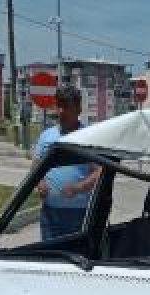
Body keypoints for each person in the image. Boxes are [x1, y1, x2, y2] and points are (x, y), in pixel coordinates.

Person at [33, 85, 101, 241]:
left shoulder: (88, 137)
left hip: (79, 214)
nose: (61, 111)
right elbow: (36, 167)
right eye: (59, 105)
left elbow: (100, 172)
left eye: (66, 106)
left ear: (78, 109)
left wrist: (79, 188)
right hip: (50, 214)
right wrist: (40, 182)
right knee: (49, 259)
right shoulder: (46, 136)